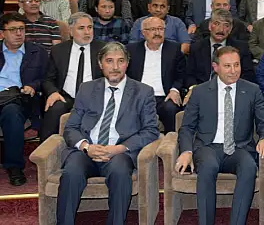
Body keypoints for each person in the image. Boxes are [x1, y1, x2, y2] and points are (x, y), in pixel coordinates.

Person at [56, 42, 160, 225]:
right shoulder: (87, 89)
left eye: (120, 61)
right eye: (109, 61)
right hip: (87, 150)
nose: (115, 67)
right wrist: (86, 147)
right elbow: (70, 127)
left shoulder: (143, 92)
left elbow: (151, 130)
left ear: (127, 63)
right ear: (100, 64)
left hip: (119, 152)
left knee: (120, 173)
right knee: (71, 172)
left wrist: (119, 148)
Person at [175, 45, 264, 225]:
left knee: (249, 168)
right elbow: (187, 127)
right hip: (208, 147)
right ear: (216, 67)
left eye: (237, 65)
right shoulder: (200, 92)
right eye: (227, 66)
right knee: (207, 167)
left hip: (240, 147)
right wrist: (186, 151)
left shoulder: (252, 90)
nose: (233, 70)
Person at [0, 12, 48, 186]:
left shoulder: (37, 52)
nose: (19, 33)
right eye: (13, 30)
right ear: (2, 33)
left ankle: (14, 167)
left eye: (21, 29)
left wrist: (33, 86)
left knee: (12, 112)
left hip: (22, 99)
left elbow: (47, 79)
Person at [41, 13, 104, 142]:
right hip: (66, 97)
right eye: (81, 28)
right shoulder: (59, 50)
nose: (87, 32)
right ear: (70, 31)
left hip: (94, 97)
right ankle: (46, 148)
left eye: (90, 27)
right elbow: (48, 79)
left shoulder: (103, 49)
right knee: (54, 107)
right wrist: (53, 92)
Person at [126, 16, 186, 132]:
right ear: (143, 33)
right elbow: (126, 75)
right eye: (153, 29)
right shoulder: (131, 50)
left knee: (171, 108)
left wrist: (175, 90)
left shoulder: (174, 49)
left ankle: (170, 139)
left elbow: (181, 74)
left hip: (165, 96)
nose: (157, 33)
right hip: (139, 96)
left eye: (160, 29)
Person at [185, 9, 255, 91]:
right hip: (202, 91)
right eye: (217, 24)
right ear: (209, 26)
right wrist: (194, 88)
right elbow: (189, 75)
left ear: (230, 29)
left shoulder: (241, 48)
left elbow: (248, 75)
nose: (221, 29)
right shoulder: (196, 48)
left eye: (226, 25)